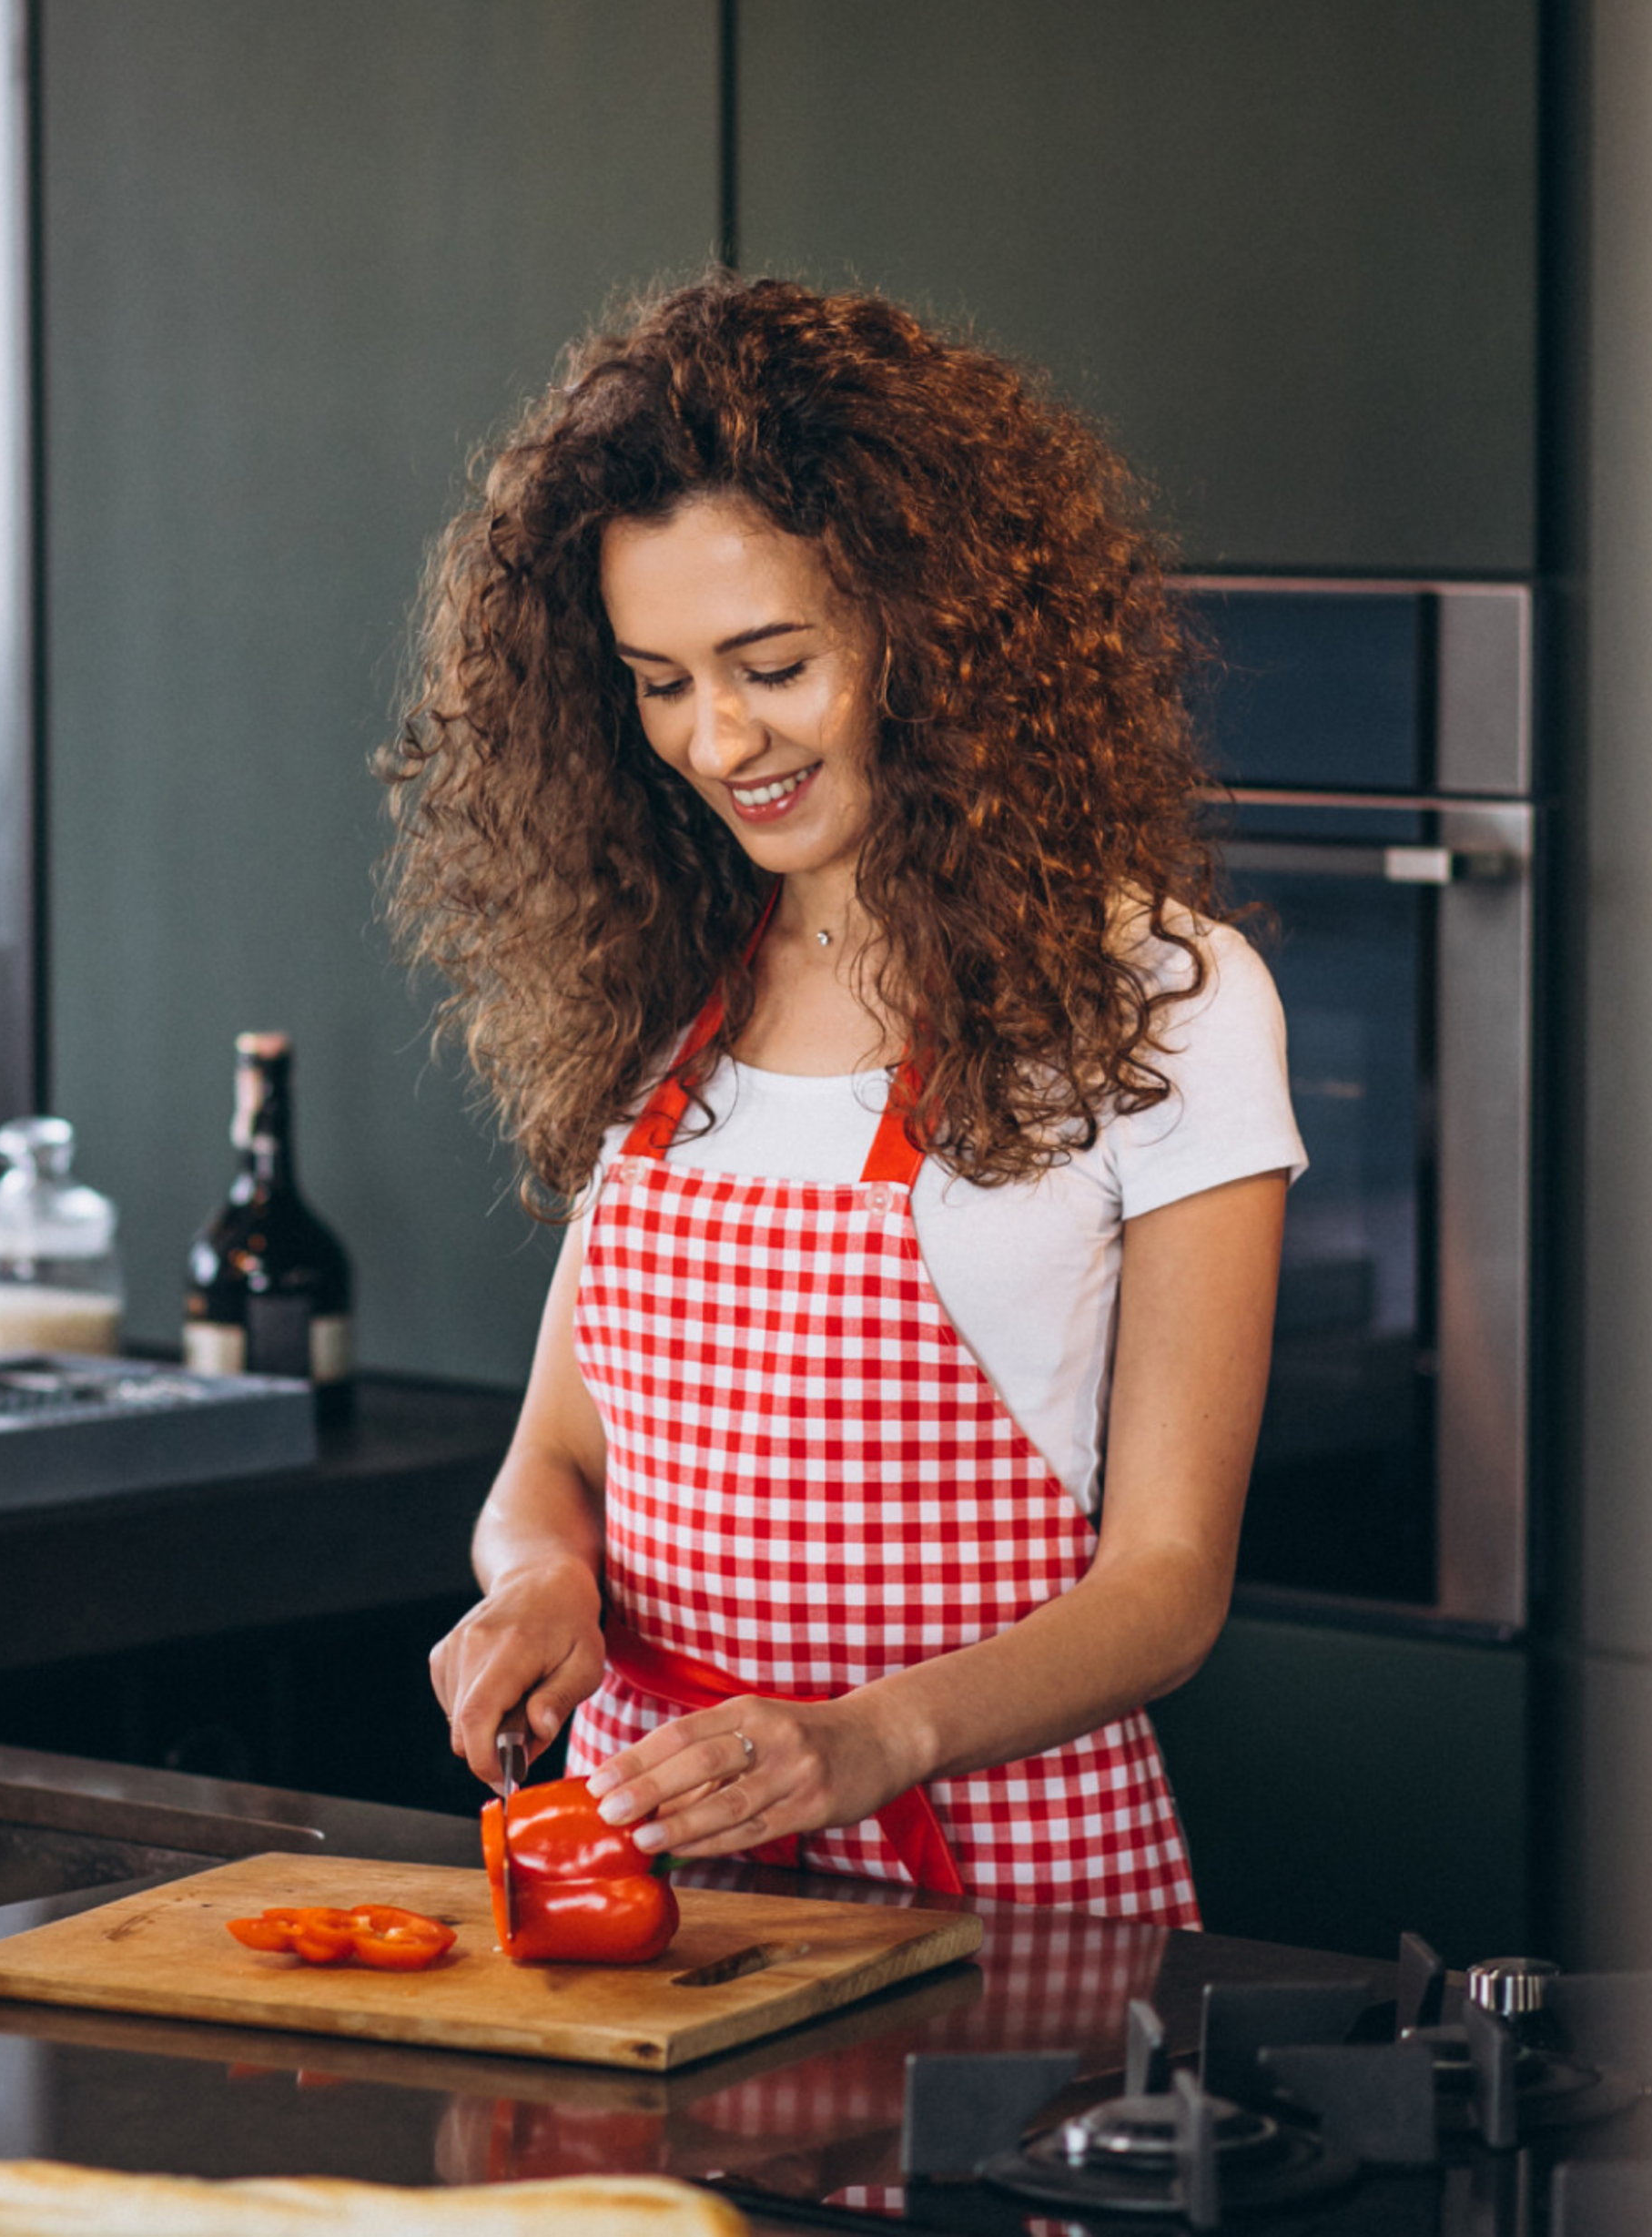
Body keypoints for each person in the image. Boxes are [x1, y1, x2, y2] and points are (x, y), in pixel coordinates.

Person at [384, 274, 1303, 1922]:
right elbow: (553, 1465)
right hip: (657, 1893)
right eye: (660, 680)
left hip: (1008, 1896)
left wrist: (870, 1739)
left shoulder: (1160, 997)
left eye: (773, 663)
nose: (719, 736)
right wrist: (536, 1590)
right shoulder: (659, 982)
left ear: (927, 631)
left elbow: (1169, 1589)